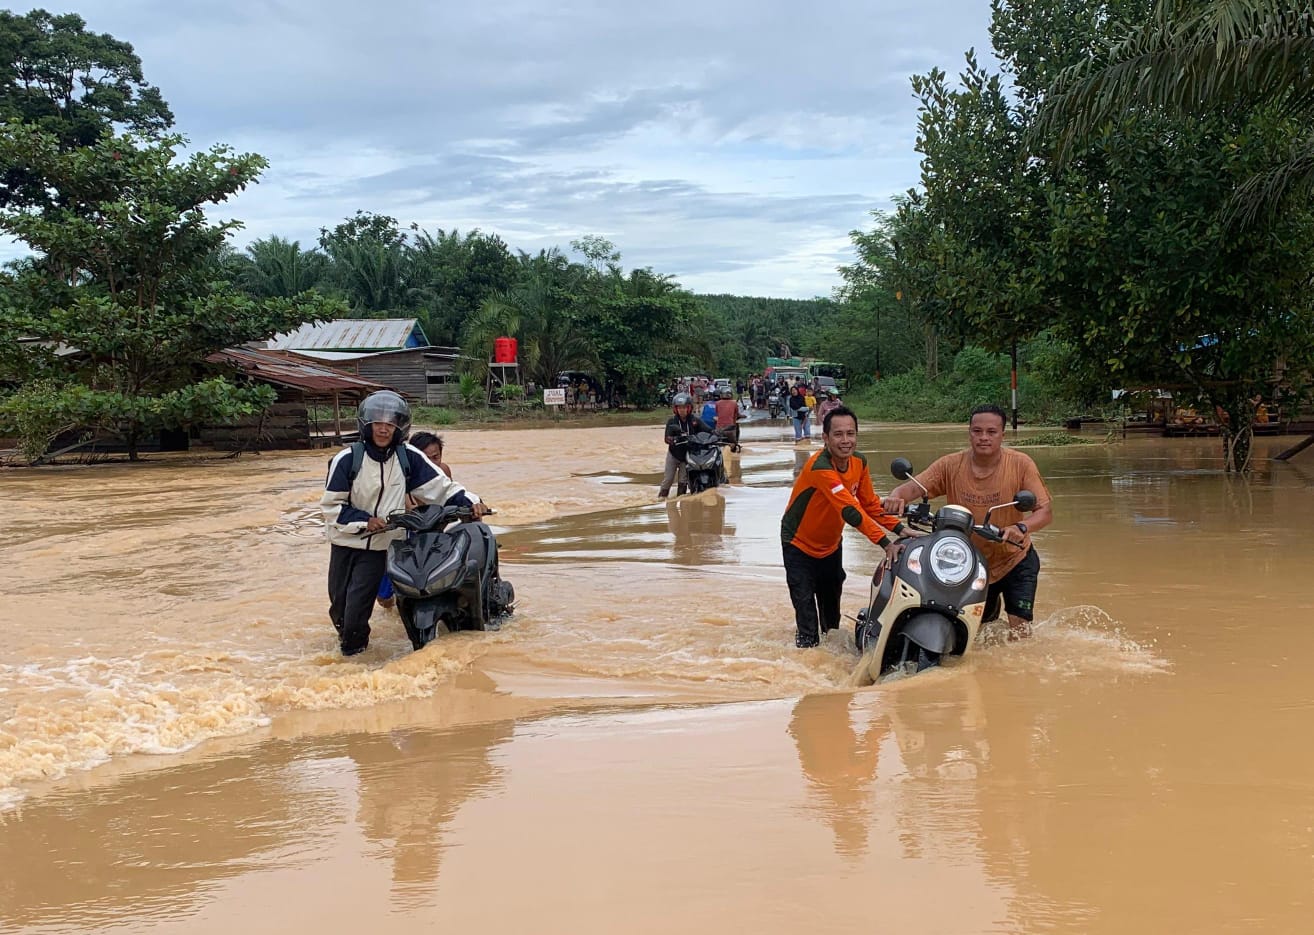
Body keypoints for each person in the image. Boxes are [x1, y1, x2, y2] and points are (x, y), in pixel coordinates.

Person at [321, 391, 488, 656]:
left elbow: (441, 488)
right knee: (339, 608)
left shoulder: (407, 457)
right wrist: (365, 521)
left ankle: (355, 656)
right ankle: (349, 653)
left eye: (390, 423)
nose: (383, 429)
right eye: (378, 422)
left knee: (356, 612)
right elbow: (331, 507)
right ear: (366, 424)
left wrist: (473, 502)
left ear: (400, 427)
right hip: (345, 543)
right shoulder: (347, 459)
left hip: (381, 547)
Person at [886, 403, 1054, 640]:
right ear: (969, 433)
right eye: (977, 431)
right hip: (970, 562)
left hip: (1014, 559)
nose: (983, 437)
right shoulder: (950, 465)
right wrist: (895, 497)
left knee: (1020, 633)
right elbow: (912, 487)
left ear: (1002, 435)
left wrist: (1021, 527)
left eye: (991, 432)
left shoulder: (1021, 464)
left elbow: (1044, 511)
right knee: (971, 631)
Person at [781, 405, 907, 648]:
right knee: (807, 619)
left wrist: (900, 529)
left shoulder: (859, 462)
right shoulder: (820, 467)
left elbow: (869, 504)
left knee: (832, 623)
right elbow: (849, 509)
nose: (845, 440)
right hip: (798, 544)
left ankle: (832, 664)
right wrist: (885, 543)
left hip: (829, 546)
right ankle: (807, 663)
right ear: (825, 438)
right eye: (838, 434)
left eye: (851, 434)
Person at [376, 431, 451, 610]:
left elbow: (448, 497)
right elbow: (406, 508)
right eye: (427, 459)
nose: (433, 463)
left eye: (436, 457)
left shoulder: (444, 471)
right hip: (406, 534)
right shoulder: (403, 476)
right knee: (384, 597)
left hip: (435, 534)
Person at [659, 392, 709, 498]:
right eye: (679, 408)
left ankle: (680, 501)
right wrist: (673, 439)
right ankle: (661, 501)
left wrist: (718, 433)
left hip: (687, 456)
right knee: (668, 480)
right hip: (673, 454)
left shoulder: (695, 420)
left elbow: (707, 430)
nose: (682, 410)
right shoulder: (672, 422)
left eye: (684, 407)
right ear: (675, 409)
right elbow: (666, 438)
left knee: (683, 481)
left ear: (689, 408)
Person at [714, 386, 743, 451]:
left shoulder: (717, 403)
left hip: (719, 429)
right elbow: (736, 415)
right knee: (734, 443)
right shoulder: (734, 403)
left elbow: (717, 414)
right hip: (730, 430)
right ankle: (735, 445)